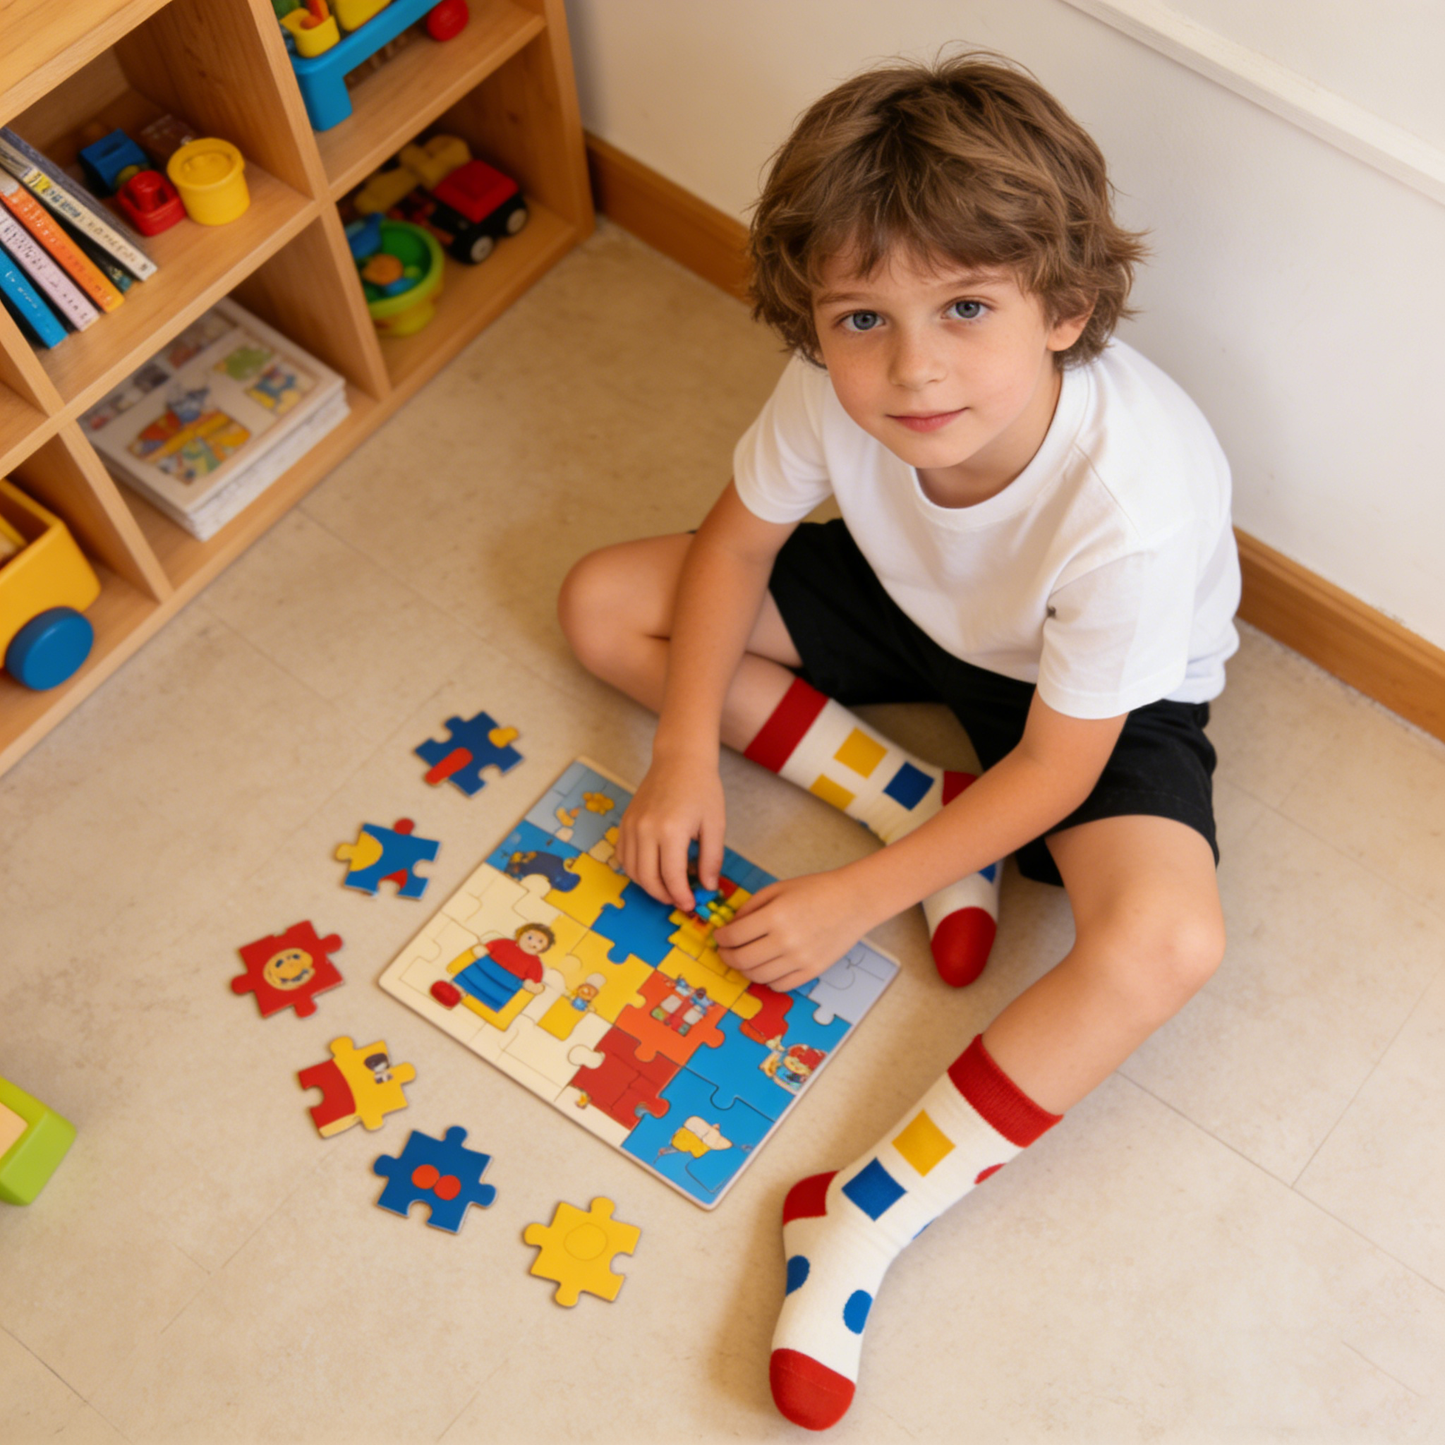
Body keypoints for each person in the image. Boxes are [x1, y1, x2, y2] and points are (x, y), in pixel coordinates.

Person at [558, 51, 1239, 1430]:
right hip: (905, 594)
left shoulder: (1136, 500)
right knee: (604, 604)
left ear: (1066, 307)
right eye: (860, 318)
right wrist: (682, 753)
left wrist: (850, 906)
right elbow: (737, 546)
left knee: (1169, 942)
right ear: (815, 318)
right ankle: (907, 798)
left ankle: (858, 1217)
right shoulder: (842, 385)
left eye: (967, 308)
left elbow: (1057, 768)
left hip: (1091, 692)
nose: (912, 369)